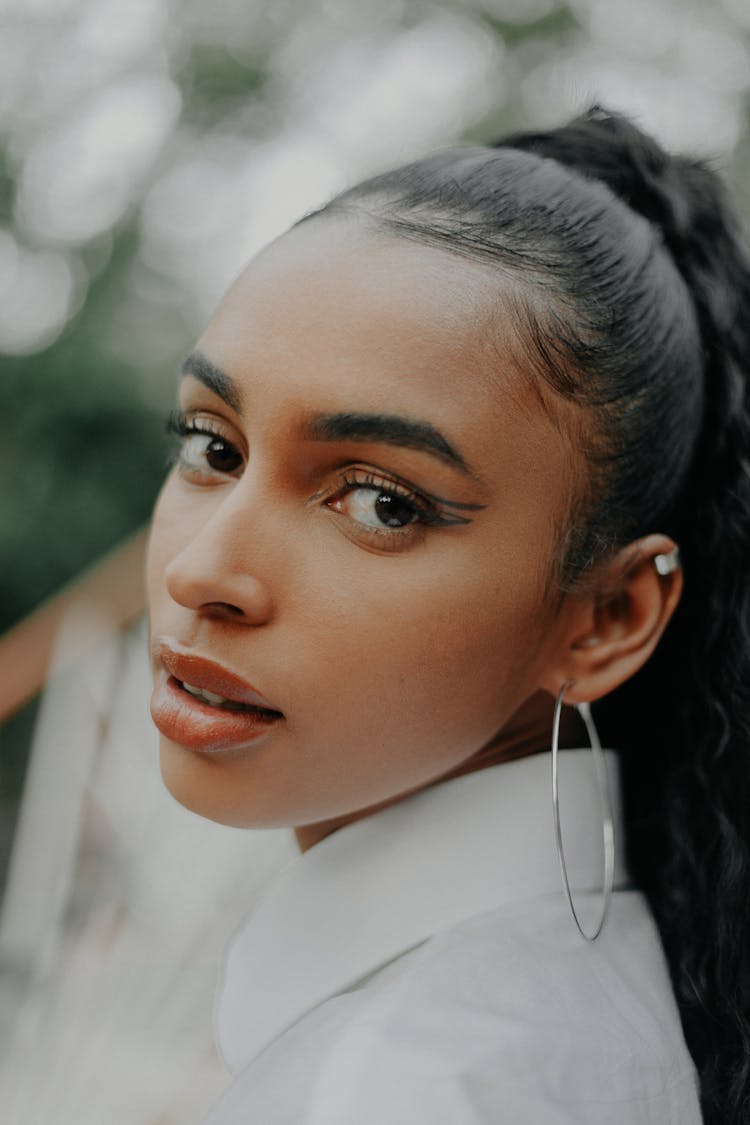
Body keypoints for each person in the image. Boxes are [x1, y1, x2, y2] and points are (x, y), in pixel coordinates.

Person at [145, 107, 750, 1124]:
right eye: (213, 446)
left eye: (382, 502)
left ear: (605, 618)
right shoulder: (550, 995)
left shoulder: (411, 1086)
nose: (203, 573)